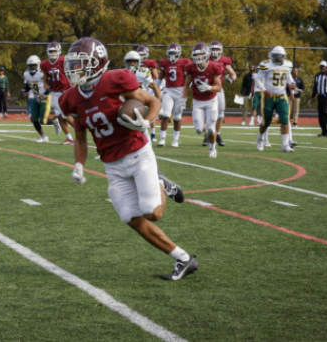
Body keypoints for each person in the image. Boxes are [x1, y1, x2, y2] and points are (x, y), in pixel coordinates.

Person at [60, 37, 196, 281]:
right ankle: (184, 259)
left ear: (96, 62)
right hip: (111, 164)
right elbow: (80, 138)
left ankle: (161, 182)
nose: (74, 70)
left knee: (152, 213)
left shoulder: (116, 79)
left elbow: (153, 101)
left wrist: (147, 121)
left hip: (137, 153)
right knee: (130, 218)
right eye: (72, 64)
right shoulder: (70, 98)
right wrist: (79, 166)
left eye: (80, 64)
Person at [183, 43, 224, 158]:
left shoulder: (213, 67)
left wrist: (209, 88)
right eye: (197, 54)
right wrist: (183, 99)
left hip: (211, 101)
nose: (199, 56)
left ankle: (212, 149)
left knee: (211, 129)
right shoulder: (191, 68)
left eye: (201, 54)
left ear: (206, 54)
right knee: (198, 130)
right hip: (197, 102)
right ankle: (205, 127)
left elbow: (219, 87)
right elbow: (186, 85)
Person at [254, 46, 296, 152]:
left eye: (280, 56)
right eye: (275, 56)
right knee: (266, 122)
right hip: (268, 97)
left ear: (283, 56)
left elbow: (289, 77)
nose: (278, 58)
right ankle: (260, 139)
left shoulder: (287, 65)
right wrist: (263, 90)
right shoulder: (266, 65)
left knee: (285, 120)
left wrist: (292, 88)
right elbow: (257, 79)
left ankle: (285, 145)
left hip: (281, 96)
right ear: (272, 56)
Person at [157, 43, 192, 148]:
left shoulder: (184, 63)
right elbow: (160, 78)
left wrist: (187, 89)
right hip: (168, 90)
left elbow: (188, 78)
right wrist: (154, 88)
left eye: (174, 54)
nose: (172, 56)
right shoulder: (164, 63)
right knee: (165, 114)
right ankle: (162, 139)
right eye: (171, 53)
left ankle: (175, 140)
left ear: (179, 54)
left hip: (180, 91)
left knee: (177, 117)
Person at [41, 42, 74, 144]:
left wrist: (74, 82)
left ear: (59, 51)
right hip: (55, 92)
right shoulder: (45, 64)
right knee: (59, 115)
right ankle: (69, 138)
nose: (53, 53)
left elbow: (73, 72)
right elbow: (46, 79)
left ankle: (80, 130)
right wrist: (46, 87)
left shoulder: (64, 60)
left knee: (65, 115)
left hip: (67, 90)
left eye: (54, 51)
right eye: (51, 51)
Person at [208, 41, 236, 147]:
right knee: (209, 113)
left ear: (220, 50)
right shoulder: (206, 59)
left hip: (219, 90)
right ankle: (208, 134)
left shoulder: (224, 61)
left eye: (217, 49)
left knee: (220, 114)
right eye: (213, 49)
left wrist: (231, 79)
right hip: (209, 89)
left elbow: (233, 73)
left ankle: (218, 134)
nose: (215, 51)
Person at [23, 55, 50, 143]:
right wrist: (24, 90)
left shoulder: (42, 74)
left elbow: (50, 86)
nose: (31, 67)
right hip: (35, 98)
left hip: (44, 98)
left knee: (43, 121)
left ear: (38, 65)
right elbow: (27, 87)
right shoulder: (26, 74)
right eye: (30, 66)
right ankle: (43, 136)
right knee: (34, 119)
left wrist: (45, 93)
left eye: (33, 65)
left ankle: (56, 121)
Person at [312, 60, 327, 136]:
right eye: (321, 66)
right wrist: (312, 96)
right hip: (320, 96)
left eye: (323, 66)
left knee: (326, 111)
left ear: (326, 67)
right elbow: (315, 87)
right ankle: (324, 130)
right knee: (320, 114)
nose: (322, 67)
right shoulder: (317, 75)